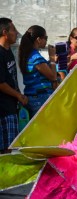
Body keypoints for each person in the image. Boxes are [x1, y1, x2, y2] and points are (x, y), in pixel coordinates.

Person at [0, 17, 28, 154]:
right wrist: (18, 95)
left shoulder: (8, 51)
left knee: (9, 149)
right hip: (3, 109)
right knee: (4, 152)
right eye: (13, 30)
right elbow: (1, 83)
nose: (16, 33)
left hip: (10, 106)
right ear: (5, 32)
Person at [18, 25, 57, 118]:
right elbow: (52, 76)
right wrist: (52, 58)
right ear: (38, 39)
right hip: (40, 98)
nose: (46, 41)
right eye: (45, 38)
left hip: (33, 97)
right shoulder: (36, 57)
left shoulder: (28, 54)